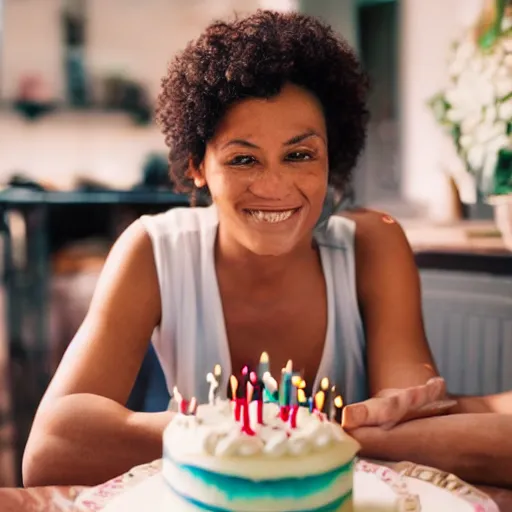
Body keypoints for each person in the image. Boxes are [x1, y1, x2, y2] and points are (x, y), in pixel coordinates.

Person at [23, 10, 512, 488]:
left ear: (330, 157)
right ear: (197, 165)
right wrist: (309, 437)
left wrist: (255, 440)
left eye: (299, 155)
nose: (274, 186)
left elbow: (416, 419)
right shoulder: (154, 250)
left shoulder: (373, 242)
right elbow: (50, 450)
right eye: (243, 159)